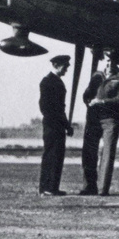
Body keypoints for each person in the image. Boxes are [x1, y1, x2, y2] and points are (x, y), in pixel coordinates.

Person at [79, 50, 119, 195]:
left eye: (112, 61)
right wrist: (89, 102)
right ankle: (88, 187)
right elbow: (87, 94)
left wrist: (102, 102)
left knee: (107, 154)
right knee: (89, 152)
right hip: (93, 119)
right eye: (107, 60)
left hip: (110, 120)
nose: (109, 63)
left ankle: (102, 189)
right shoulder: (96, 76)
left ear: (116, 62)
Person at [38, 55, 72, 196]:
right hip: (53, 125)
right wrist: (64, 123)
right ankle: (47, 187)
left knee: (57, 155)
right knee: (51, 155)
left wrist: (65, 124)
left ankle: (52, 187)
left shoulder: (54, 81)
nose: (66, 69)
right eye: (65, 66)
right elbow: (46, 106)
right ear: (56, 65)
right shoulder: (47, 82)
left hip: (56, 124)